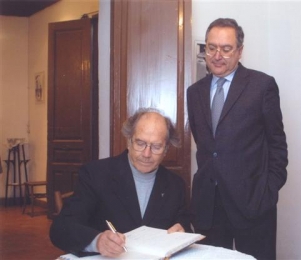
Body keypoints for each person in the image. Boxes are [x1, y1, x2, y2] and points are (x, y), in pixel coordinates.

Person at [187, 18, 288, 259]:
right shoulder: (195, 92)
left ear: (239, 51)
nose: (217, 55)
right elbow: (206, 147)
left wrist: (268, 191)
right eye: (211, 47)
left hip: (253, 204)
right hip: (208, 207)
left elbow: (277, 143)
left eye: (226, 48)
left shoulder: (262, 86)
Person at [50, 108, 190, 258]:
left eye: (156, 147)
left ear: (166, 149)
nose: (146, 154)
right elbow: (61, 228)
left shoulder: (176, 185)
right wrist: (97, 241)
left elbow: (184, 224)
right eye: (140, 143)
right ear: (129, 141)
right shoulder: (96, 174)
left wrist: (182, 231)